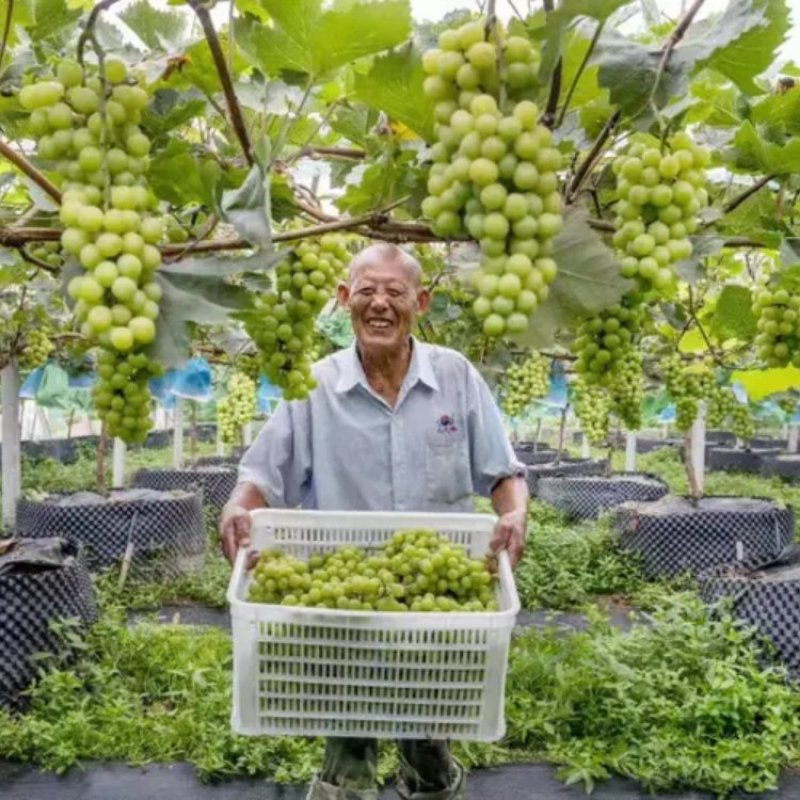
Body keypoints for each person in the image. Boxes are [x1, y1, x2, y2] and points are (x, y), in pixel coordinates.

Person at [220, 242, 529, 800]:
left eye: (395, 292)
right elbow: (262, 472)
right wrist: (238, 504)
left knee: (430, 743)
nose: (379, 303)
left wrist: (516, 513)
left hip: (437, 608)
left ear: (421, 302)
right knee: (347, 748)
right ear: (343, 300)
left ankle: (431, 783)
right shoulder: (313, 385)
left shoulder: (456, 376)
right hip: (345, 605)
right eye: (366, 291)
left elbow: (503, 472)